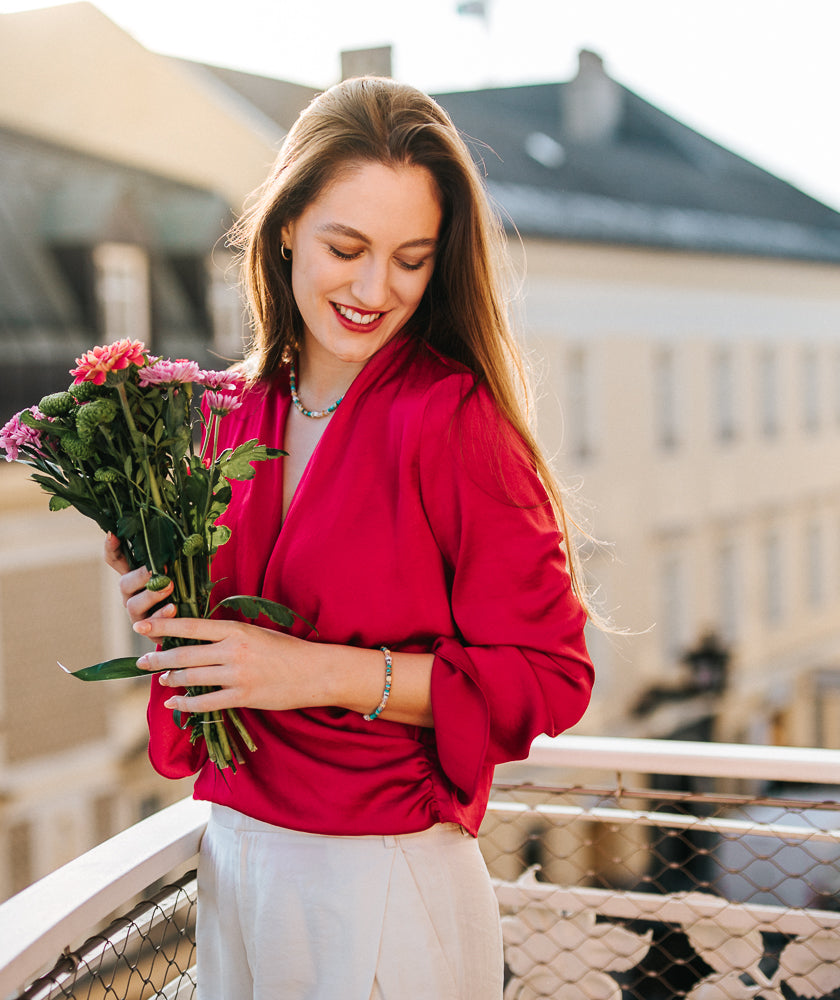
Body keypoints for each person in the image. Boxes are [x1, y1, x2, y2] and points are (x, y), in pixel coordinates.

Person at [105, 75, 595, 1000]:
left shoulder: (455, 420)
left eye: (411, 259)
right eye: (347, 247)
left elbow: (550, 677)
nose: (375, 289)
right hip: (235, 865)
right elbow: (219, 678)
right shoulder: (223, 413)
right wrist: (169, 612)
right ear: (288, 226)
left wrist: (315, 672)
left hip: (381, 879)